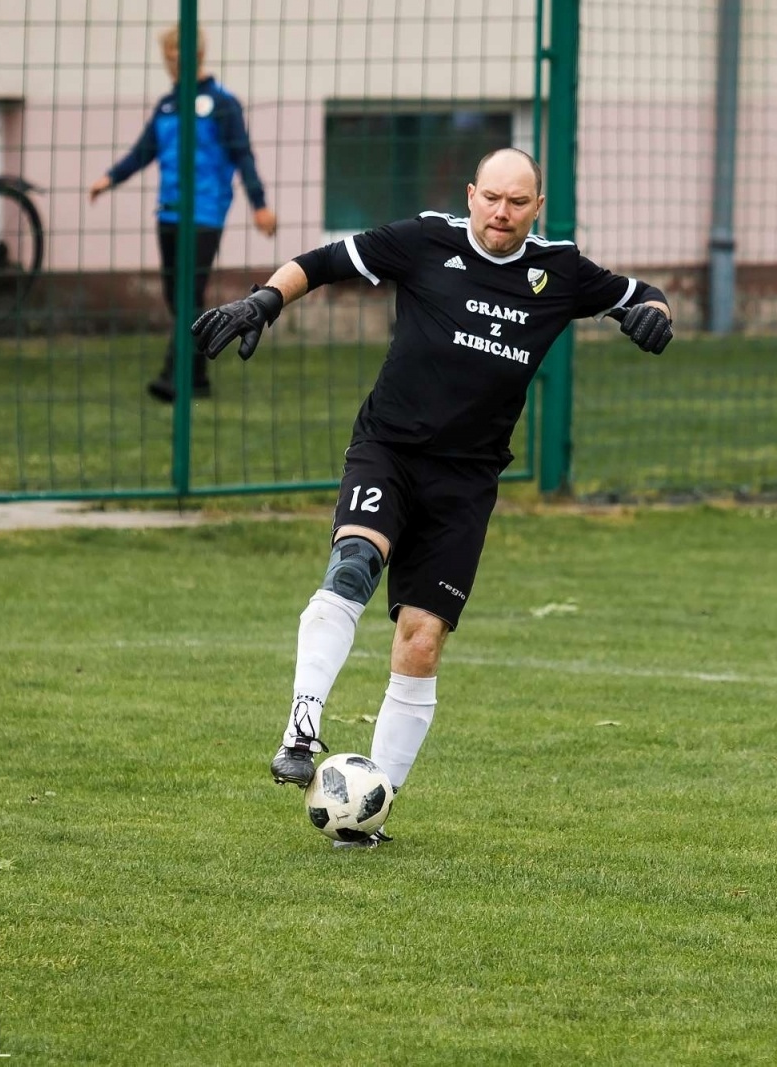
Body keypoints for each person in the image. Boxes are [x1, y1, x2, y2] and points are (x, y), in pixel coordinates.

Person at [190, 148, 673, 847]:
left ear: (537, 208)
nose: (501, 213)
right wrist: (263, 300)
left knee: (421, 639)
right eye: (491, 198)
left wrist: (655, 314)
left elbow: (641, 293)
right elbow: (323, 261)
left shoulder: (560, 271)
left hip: (467, 481)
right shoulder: (424, 241)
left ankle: (368, 811)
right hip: (389, 449)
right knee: (353, 565)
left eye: (518, 202)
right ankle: (301, 728)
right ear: (471, 194)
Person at [89, 24, 277, 403]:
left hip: (205, 212)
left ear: (199, 54)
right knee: (178, 298)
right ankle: (199, 378)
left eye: (180, 54)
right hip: (169, 213)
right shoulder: (167, 105)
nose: (174, 62)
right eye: (169, 56)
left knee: (189, 294)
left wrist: (259, 205)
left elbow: (243, 154)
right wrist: (109, 178)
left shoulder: (222, 103)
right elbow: (143, 152)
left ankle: (173, 377)